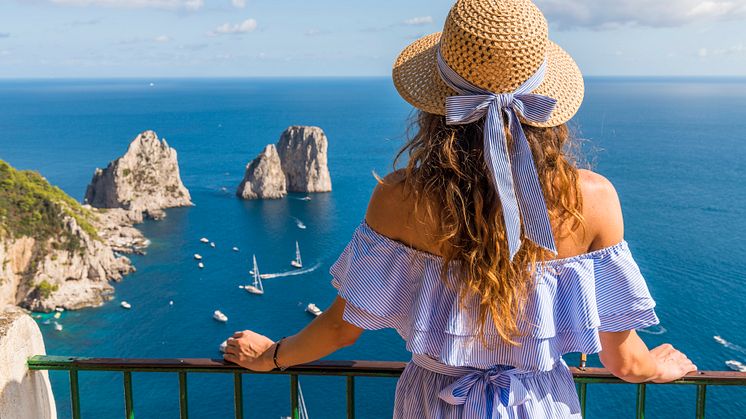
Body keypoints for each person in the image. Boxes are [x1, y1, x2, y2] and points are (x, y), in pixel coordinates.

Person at [223, 0, 697, 417]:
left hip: (433, 406)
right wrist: (661, 367)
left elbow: (342, 330)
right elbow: (624, 362)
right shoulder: (591, 201)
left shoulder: (399, 197)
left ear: (436, 106)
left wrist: (272, 355)